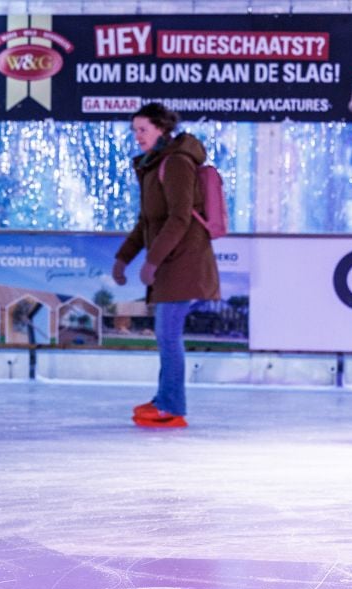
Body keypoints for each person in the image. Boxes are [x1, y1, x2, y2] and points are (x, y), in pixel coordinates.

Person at [111, 102, 220, 429]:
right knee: (165, 335)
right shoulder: (152, 164)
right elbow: (147, 221)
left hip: (184, 261)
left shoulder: (175, 163)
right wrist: (124, 258)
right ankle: (165, 399)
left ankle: (172, 406)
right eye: (134, 130)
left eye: (143, 129)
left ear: (162, 129)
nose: (137, 136)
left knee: (168, 335)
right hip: (171, 262)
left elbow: (179, 217)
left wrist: (153, 260)